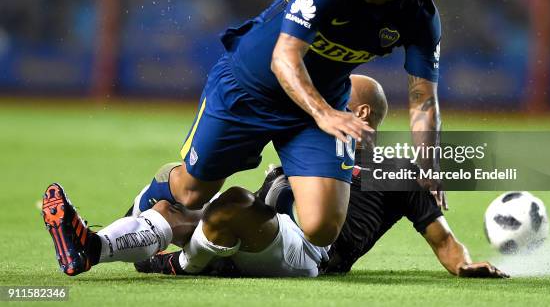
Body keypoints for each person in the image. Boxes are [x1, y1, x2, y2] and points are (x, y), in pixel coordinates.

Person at [42, 0, 443, 276]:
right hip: (250, 89)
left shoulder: (420, 16)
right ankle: (155, 203)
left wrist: (428, 164)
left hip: (317, 108)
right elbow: (284, 59)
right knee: (191, 190)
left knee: (321, 228)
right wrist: (324, 113)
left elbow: (423, 97)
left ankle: (183, 237)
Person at [132, 75, 506, 278]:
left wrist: (463, 264)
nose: (323, 104)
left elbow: (443, 240)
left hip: (313, 253)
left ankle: (184, 264)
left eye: (335, 97)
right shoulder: (306, 145)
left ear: (359, 112)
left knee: (232, 204)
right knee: (171, 207)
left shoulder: (396, 170)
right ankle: (98, 245)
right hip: (264, 231)